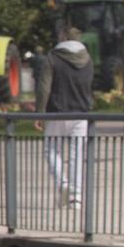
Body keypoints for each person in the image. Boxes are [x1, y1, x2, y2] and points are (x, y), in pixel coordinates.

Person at [41, 26, 95, 207]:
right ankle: (76, 198)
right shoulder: (87, 59)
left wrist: (39, 113)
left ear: (63, 37)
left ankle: (62, 183)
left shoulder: (53, 58)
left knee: (51, 150)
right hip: (81, 112)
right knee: (76, 155)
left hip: (57, 111)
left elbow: (44, 88)